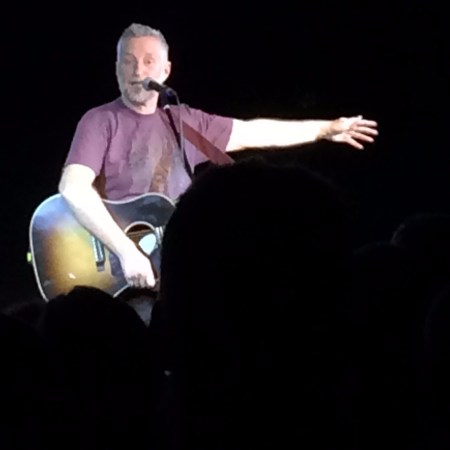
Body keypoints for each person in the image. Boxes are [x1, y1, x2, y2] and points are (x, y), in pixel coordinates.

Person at [58, 22, 379, 291]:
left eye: (148, 61)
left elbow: (254, 132)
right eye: (128, 61)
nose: (138, 70)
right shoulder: (99, 121)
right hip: (117, 272)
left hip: (173, 270)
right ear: (116, 67)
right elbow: (73, 188)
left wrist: (325, 129)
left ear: (165, 71)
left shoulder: (184, 122)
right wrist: (126, 251)